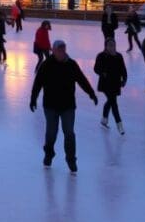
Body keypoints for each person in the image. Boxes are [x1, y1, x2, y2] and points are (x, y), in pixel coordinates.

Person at [30, 40, 97, 174]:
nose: (62, 52)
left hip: (68, 106)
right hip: (50, 106)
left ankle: (71, 159)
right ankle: (49, 153)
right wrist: (33, 98)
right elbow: (38, 82)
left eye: (63, 50)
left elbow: (81, 79)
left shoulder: (71, 64)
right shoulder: (46, 64)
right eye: (59, 50)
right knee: (51, 133)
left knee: (69, 133)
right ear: (53, 51)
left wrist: (91, 93)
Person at [94, 38, 128, 134]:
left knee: (110, 101)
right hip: (105, 84)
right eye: (109, 45)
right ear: (106, 46)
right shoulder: (101, 56)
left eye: (113, 45)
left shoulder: (119, 56)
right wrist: (103, 73)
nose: (111, 47)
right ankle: (119, 125)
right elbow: (96, 68)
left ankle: (104, 119)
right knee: (114, 103)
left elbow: (123, 69)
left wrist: (124, 79)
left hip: (116, 83)